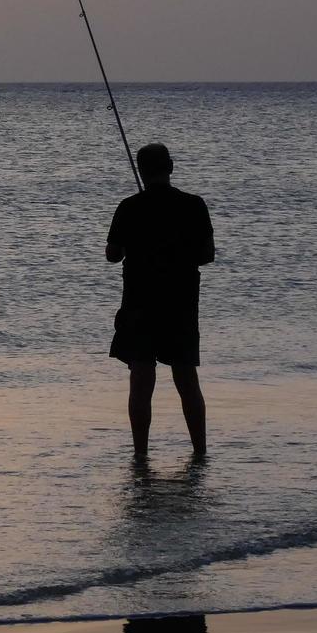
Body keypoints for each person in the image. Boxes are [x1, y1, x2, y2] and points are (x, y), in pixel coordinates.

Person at [106, 143, 214, 455]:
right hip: (180, 303)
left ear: (141, 170)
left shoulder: (129, 207)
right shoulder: (194, 205)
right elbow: (207, 255)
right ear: (171, 167)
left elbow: (112, 255)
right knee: (186, 378)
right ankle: (200, 452)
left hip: (139, 304)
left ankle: (140, 455)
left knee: (141, 378)